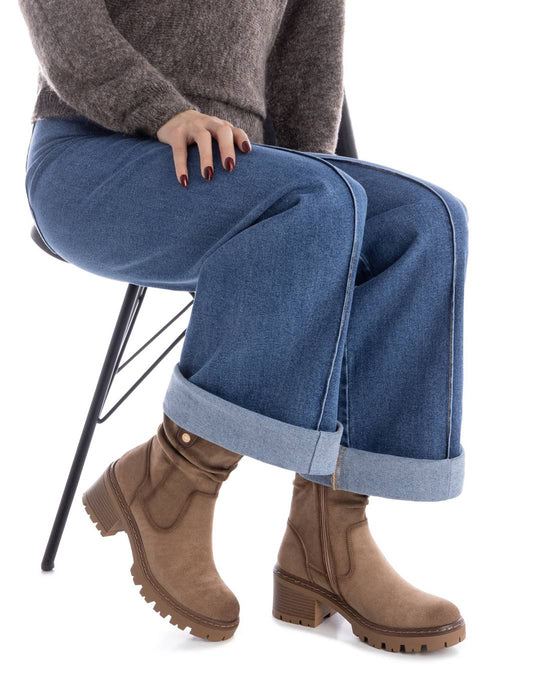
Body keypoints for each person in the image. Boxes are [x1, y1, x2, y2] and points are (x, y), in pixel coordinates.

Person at [19, 0, 468, 652]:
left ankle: (328, 537)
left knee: (425, 222)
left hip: (234, 168)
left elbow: (307, 68)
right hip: (96, 149)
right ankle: (175, 477)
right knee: (315, 202)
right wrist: (161, 111)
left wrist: (326, 208)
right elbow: (59, 16)